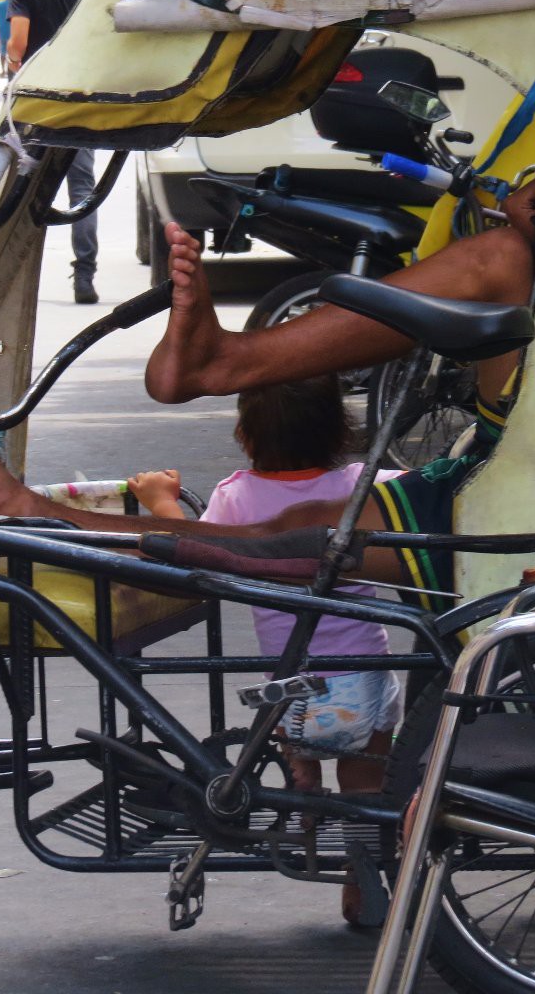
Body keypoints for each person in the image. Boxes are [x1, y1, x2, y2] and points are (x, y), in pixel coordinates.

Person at [0, 172, 535, 600]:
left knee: (268, 541)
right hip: (521, 450)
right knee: (500, 256)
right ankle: (224, 360)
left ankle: (26, 507)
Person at [132, 375, 402, 923]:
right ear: (340, 431)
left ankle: (302, 785)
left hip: (293, 692)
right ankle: (359, 876)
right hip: (363, 680)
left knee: (296, 739)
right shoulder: (363, 487)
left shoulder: (236, 496)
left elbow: (197, 551)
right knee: (367, 782)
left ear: (246, 435)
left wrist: (160, 501)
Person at [6, 0, 98, 303]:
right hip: (82, 96)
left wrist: (12, 65)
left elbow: (19, 43)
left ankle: (15, 278)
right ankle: (85, 274)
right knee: (82, 188)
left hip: (39, 100)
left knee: (24, 184)